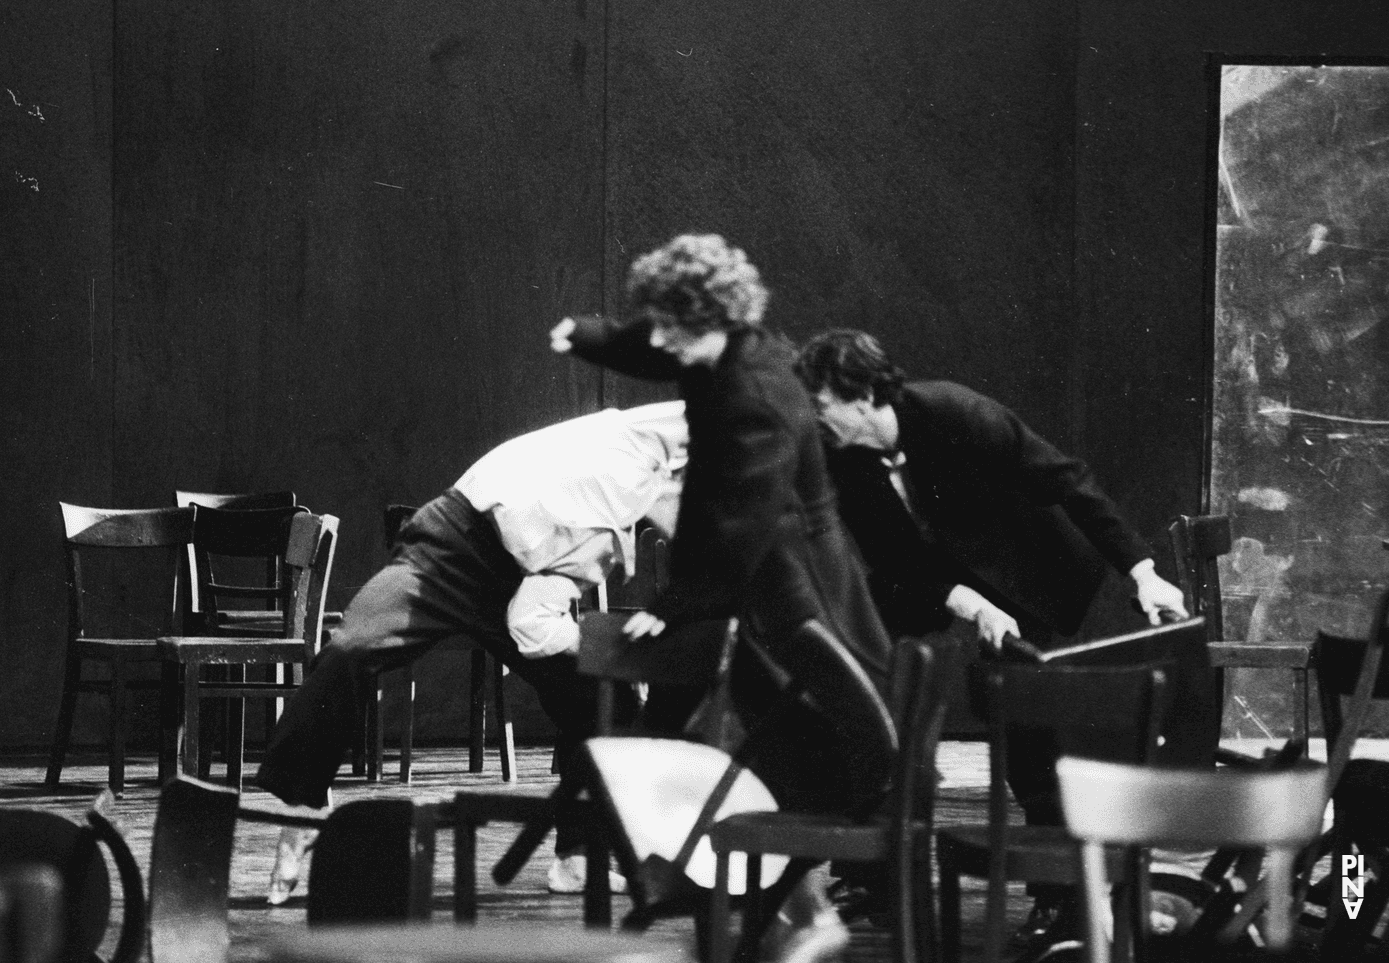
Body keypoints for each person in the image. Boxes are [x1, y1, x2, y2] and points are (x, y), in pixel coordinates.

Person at [551, 234, 895, 963]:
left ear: (709, 317)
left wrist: (680, 602)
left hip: (800, 592)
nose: (663, 340)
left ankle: (813, 909)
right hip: (770, 582)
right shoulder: (733, 348)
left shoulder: (755, 398)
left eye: (673, 326)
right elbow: (654, 346)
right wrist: (594, 337)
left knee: (824, 738)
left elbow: (745, 522)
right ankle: (798, 909)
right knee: (779, 743)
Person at [793, 327, 1188, 937]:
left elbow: (1070, 480)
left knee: (1032, 720)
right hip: (941, 580)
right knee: (872, 687)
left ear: (865, 394)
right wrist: (972, 607)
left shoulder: (956, 412)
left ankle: (1061, 893)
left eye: (822, 408)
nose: (819, 423)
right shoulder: (842, 460)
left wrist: (1142, 571)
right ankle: (878, 871)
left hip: (1028, 573)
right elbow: (898, 560)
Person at [255, 401, 688, 902]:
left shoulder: (609, 522)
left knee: (596, 695)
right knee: (351, 648)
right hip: (453, 545)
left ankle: (577, 857)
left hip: (520, 581)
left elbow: (529, 626)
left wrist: (599, 648)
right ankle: (302, 816)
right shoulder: (634, 453)